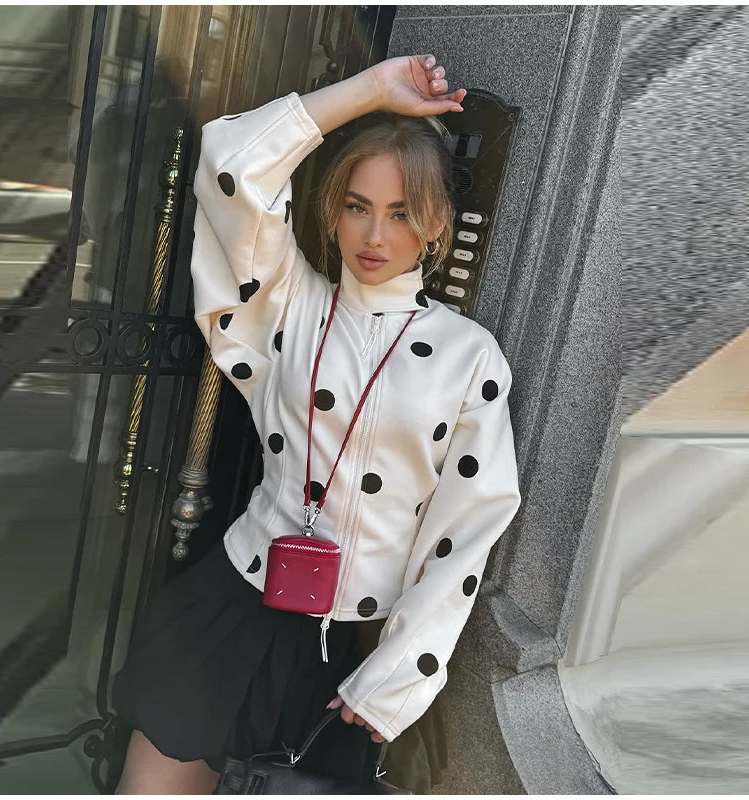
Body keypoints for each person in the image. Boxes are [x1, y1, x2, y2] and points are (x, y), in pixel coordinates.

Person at [112, 53, 521, 795]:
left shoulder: (470, 357)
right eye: (357, 204)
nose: (374, 232)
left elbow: (469, 527)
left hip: (357, 654)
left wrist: (396, 678)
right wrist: (368, 91)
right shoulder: (288, 305)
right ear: (332, 210)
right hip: (237, 607)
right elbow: (231, 164)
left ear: (435, 224)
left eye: (400, 212)